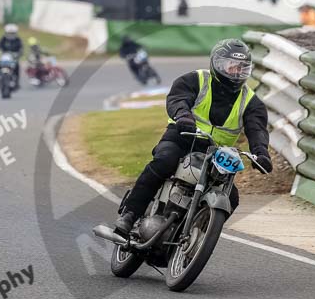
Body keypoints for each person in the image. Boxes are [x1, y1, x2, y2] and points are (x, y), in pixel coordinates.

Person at [114, 39, 273, 237]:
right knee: (164, 160)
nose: (236, 72)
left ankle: (196, 237)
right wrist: (183, 116)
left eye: (241, 68)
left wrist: (261, 152)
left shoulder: (251, 102)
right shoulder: (196, 79)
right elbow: (178, 98)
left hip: (215, 154)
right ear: (217, 64)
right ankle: (130, 214)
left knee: (231, 197)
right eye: (231, 66)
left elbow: (257, 129)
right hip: (182, 137)